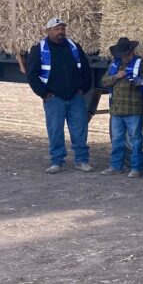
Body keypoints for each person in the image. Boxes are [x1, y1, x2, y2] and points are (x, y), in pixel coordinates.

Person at [26, 17, 93, 173]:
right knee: (55, 131)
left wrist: (83, 89)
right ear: (48, 31)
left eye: (62, 28)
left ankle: (81, 161)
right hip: (53, 98)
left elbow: (86, 70)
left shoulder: (74, 47)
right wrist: (43, 93)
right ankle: (57, 162)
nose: (60, 32)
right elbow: (31, 74)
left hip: (75, 97)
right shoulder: (39, 49)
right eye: (56, 29)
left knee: (80, 130)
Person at [100, 36, 143, 178]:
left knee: (135, 140)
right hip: (116, 109)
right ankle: (116, 166)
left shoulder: (141, 64)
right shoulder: (115, 65)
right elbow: (104, 81)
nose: (122, 57)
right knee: (117, 140)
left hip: (133, 109)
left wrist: (138, 81)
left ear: (130, 52)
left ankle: (136, 168)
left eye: (124, 54)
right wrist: (117, 76)